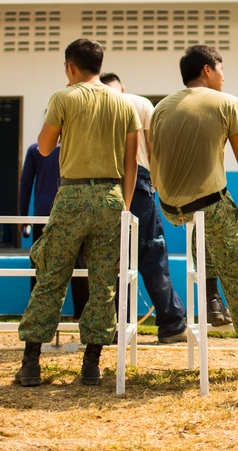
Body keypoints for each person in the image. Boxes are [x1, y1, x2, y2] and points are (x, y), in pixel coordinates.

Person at [150, 44, 238, 374]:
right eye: (222, 69)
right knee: (236, 266)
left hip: (170, 207)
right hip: (208, 205)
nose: (225, 77)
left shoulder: (161, 108)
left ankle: (211, 297)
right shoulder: (228, 102)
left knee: (205, 223)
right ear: (208, 70)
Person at [15, 38, 139, 388]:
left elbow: (43, 146)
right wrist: (125, 205)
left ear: (70, 66)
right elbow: (131, 162)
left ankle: (31, 364)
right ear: (100, 65)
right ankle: (91, 364)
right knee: (103, 284)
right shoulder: (124, 103)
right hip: (112, 197)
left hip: (71, 195)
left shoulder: (63, 97)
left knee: (51, 276)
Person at [100, 73, 188, 343]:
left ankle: (111, 327)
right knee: (152, 254)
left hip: (104, 185)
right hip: (138, 183)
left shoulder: (97, 107)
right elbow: (153, 150)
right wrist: (157, 184)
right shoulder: (140, 103)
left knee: (108, 259)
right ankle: (172, 324)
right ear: (122, 87)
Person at [18, 142, 89, 319]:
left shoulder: (36, 149)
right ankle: (81, 314)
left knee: (41, 264)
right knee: (79, 264)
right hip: (73, 213)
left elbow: (26, 183)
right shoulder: (75, 147)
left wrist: (23, 216)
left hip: (43, 214)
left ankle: (38, 315)